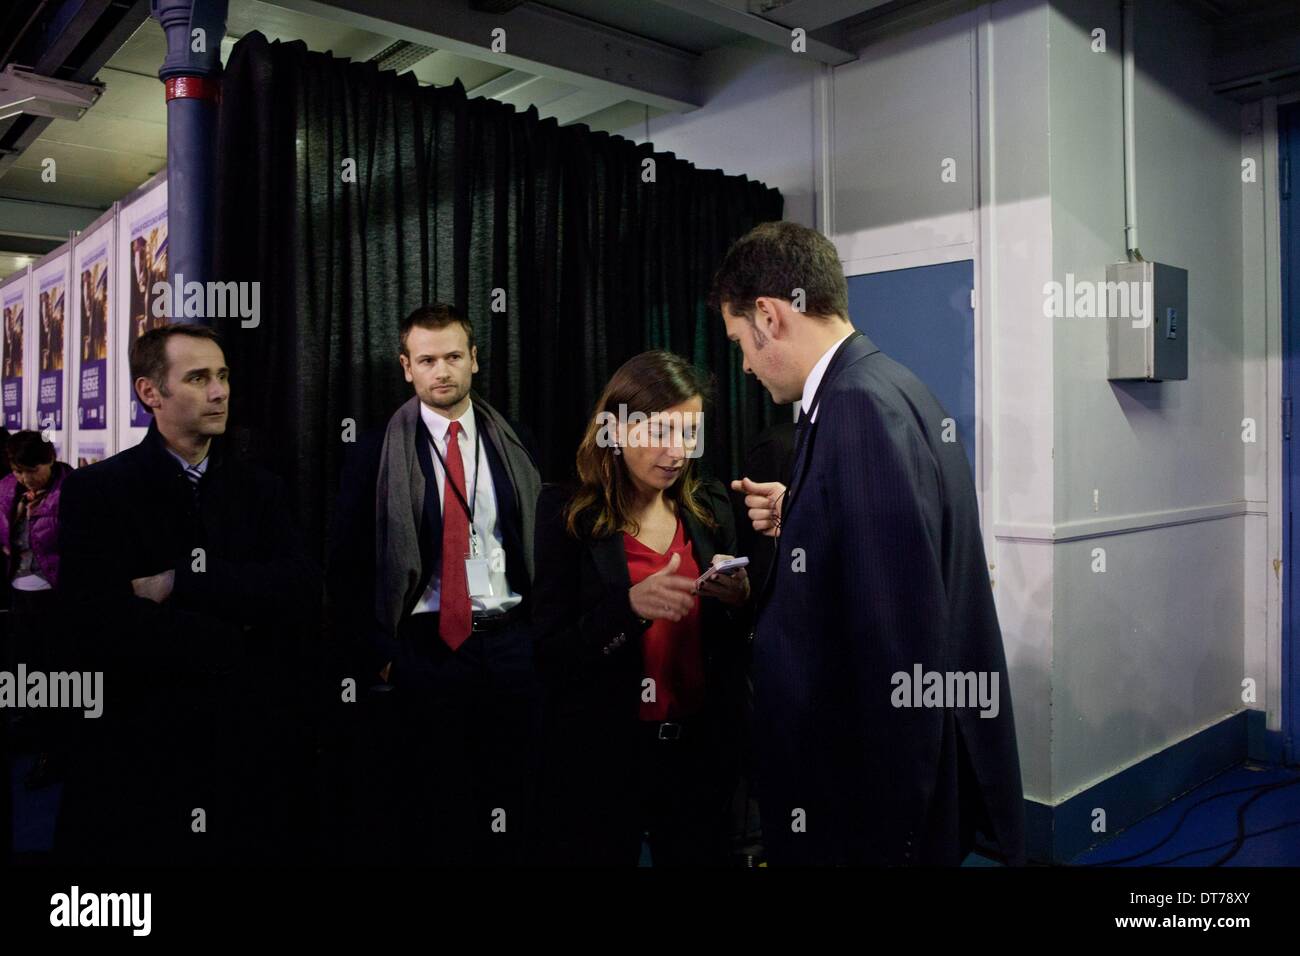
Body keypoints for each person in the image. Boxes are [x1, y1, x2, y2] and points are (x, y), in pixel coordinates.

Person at [713, 220, 1026, 866]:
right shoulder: (892, 385)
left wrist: (897, 828)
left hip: (859, 798)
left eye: (740, 341)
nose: (743, 362)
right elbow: (893, 551)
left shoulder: (853, 408)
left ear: (769, 316)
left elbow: (897, 634)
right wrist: (801, 512)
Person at [55, 324, 318, 864]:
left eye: (222, 376)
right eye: (198, 378)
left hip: (250, 746)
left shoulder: (263, 488)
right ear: (151, 392)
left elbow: (299, 590)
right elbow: (98, 622)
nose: (220, 391)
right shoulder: (99, 491)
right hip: (147, 747)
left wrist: (183, 581)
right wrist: (237, 630)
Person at [532, 350, 751, 866]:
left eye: (688, 434)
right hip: (606, 754)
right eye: (659, 433)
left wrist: (739, 597)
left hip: (699, 751)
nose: (677, 453)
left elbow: (736, 631)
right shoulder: (566, 514)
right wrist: (627, 608)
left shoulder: (711, 505)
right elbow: (549, 654)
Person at [343, 302, 542, 865]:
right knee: (437, 810)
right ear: (407, 367)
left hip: (509, 643)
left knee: (514, 800)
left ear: (474, 360)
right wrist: (382, 656)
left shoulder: (514, 439)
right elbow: (347, 564)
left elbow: (539, 539)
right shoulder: (375, 450)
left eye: (454, 356)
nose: (442, 371)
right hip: (426, 650)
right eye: (427, 359)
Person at [0, 431, 73, 789]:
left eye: (32, 469)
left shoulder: (72, 491)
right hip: (18, 594)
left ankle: (53, 751)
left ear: (49, 460)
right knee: (22, 673)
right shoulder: (8, 489)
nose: (25, 478)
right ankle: (30, 734)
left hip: (55, 598)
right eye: (17, 470)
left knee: (55, 678)